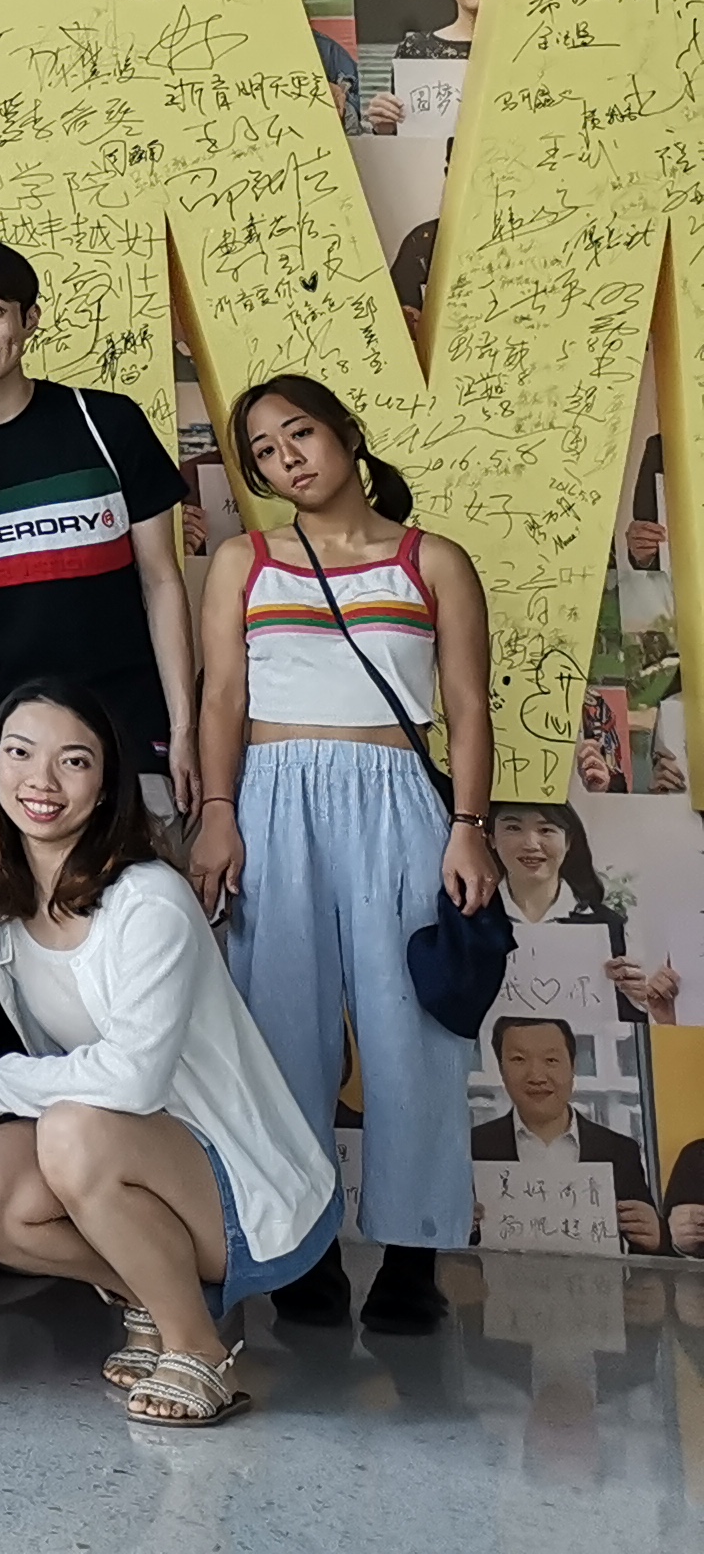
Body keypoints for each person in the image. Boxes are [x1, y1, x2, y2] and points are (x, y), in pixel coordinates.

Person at [188, 373, 499, 1335]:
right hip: (272, 798)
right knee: (282, 1033)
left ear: (347, 434)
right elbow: (221, 700)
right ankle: (303, 1250)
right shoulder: (243, 561)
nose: (288, 459)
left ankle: (413, 1257)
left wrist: (470, 823)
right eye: (265, 452)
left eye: (301, 434)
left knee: (413, 1034)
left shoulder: (432, 560)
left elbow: (467, 706)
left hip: (399, 800)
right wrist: (218, 809)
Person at [0, 681, 342, 1425]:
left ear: (105, 785)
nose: (41, 780)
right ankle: (149, 1298)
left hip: (236, 1186)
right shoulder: (10, 906)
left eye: (73, 761)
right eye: (20, 753)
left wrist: (6, 1080)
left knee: (71, 1129)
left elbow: (132, 1079)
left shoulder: (147, 898)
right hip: (134, 1158)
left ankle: (197, 1347)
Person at [0, 237, 194, 790]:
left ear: (29, 320)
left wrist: (184, 726)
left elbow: (162, 579)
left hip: (126, 724)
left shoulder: (107, 422)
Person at [469, 1016, 662, 1251]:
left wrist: (656, 1236)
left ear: (573, 1066)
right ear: (501, 1068)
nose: (537, 1076)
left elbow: (646, 1252)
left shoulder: (620, 1151)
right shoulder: (471, 1149)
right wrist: (458, 1228)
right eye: (518, 1059)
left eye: (551, 1060)